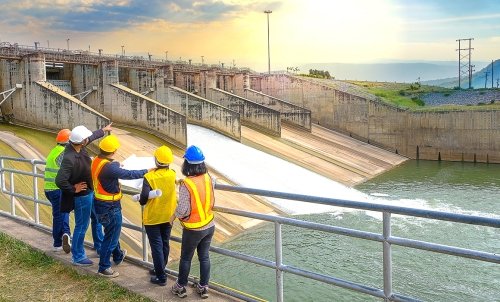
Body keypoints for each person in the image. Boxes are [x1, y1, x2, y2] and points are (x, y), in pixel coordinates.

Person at [91, 134, 148, 278]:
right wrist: (148, 171)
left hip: (100, 204)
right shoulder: (109, 168)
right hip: (110, 206)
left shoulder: (97, 161)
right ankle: (104, 267)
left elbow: (114, 167)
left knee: (110, 232)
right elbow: (129, 174)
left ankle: (118, 255)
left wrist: (116, 164)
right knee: (111, 238)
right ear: (114, 150)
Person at [56, 123, 112, 266]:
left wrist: (103, 131)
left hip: (89, 192)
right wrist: (73, 188)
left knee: (96, 219)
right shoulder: (70, 157)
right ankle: (78, 256)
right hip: (81, 197)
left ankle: (99, 246)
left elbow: (90, 137)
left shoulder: (77, 147)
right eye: (85, 139)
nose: (88, 139)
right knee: (81, 226)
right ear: (81, 141)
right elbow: (60, 180)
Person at [171, 145, 215, 299]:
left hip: (193, 228)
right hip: (209, 225)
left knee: (186, 258)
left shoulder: (187, 184)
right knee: (204, 257)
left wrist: (174, 215)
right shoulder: (209, 178)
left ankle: (180, 287)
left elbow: (183, 209)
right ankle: (203, 288)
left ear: (187, 164)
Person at [139, 146, 177, 286]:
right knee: (165, 243)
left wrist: (142, 198)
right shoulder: (172, 174)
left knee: (156, 245)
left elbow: (143, 199)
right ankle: (160, 268)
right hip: (168, 216)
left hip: (153, 217)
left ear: (156, 160)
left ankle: (161, 276)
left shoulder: (149, 177)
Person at [44, 129, 72, 253]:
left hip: (49, 188)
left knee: (60, 213)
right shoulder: (64, 153)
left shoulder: (54, 151)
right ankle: (61, 239)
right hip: (57, 189)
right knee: (62, 213)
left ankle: (62, 238)